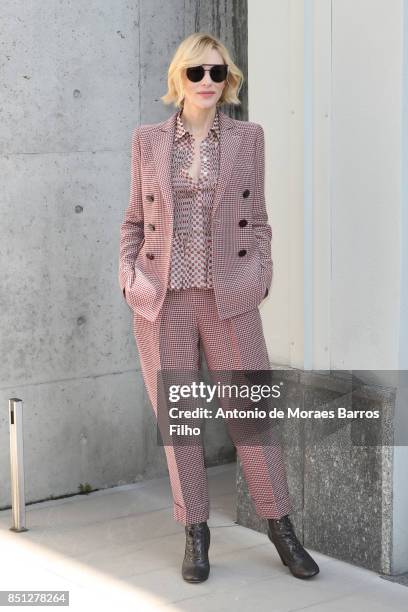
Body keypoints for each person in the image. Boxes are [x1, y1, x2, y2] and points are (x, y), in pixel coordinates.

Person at [118, 32, 319, 583]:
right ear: (178, 78)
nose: (209, 82)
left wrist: (257, 278)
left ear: (229, 80)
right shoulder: (147, 141)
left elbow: (260, 222)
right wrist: (132, 280)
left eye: (218, 73)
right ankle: (195, 533)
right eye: (197, 73)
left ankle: (282, 530)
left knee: (250, 419)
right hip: (163, 301)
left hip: (228, 298)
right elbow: (134, 221)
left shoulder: (249, 138)